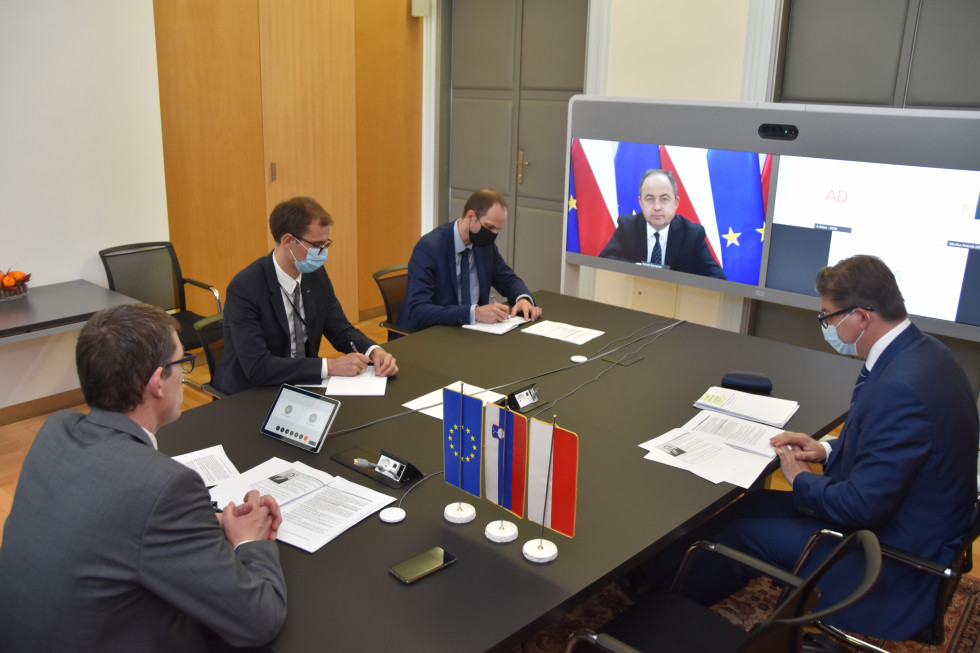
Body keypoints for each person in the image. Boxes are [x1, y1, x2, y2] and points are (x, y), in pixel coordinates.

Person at [686, 255, 978, 640]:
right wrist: (825, 450)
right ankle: (665, 576)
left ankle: (668, 608)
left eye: (827, 316)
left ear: (861, 316)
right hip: (909, 516)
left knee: (741, 533)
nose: (824, 326)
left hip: (888, 556)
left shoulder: (901, 388)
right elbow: (894, 448)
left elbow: (862, 506)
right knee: (752, 504)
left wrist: (800, 478)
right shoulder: (923, 353)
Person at [0, 303, 287, 651]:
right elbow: (260, 620)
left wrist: (206, 521)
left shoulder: (56, 429)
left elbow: (113, 517)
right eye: (182, 364)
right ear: (157, 383)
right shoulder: (164, 486)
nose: (184, 375)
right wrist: (250, 542)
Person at [214, 196, 397, 394]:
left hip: (302, 382)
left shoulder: (315, 274)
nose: (323, 253)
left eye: (326, 244)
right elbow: (258, 367)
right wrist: (331, 367)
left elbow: (340, 329)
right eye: (317, 245)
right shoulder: (245, 288)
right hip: (251, 392)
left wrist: (374, 351)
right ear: (288, 241)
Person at [399, 188, 542, 332]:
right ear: (471, 216)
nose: (493, 235)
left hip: (472, 332)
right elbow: (417, 310)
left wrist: (522, 299)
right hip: (434, 333)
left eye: (497, 230)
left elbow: (508, 280)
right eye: (489, 227)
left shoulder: (485, 246)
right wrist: (474, 313)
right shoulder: (429, 248)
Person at [599, 169, 726, 279]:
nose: (657, 207)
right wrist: (645, 271)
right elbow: (604, 262)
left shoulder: (692, 235)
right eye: (649, 199)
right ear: (640, 202)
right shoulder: (627, 227)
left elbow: (718, 278)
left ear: (676, 202)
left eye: (664, 199)